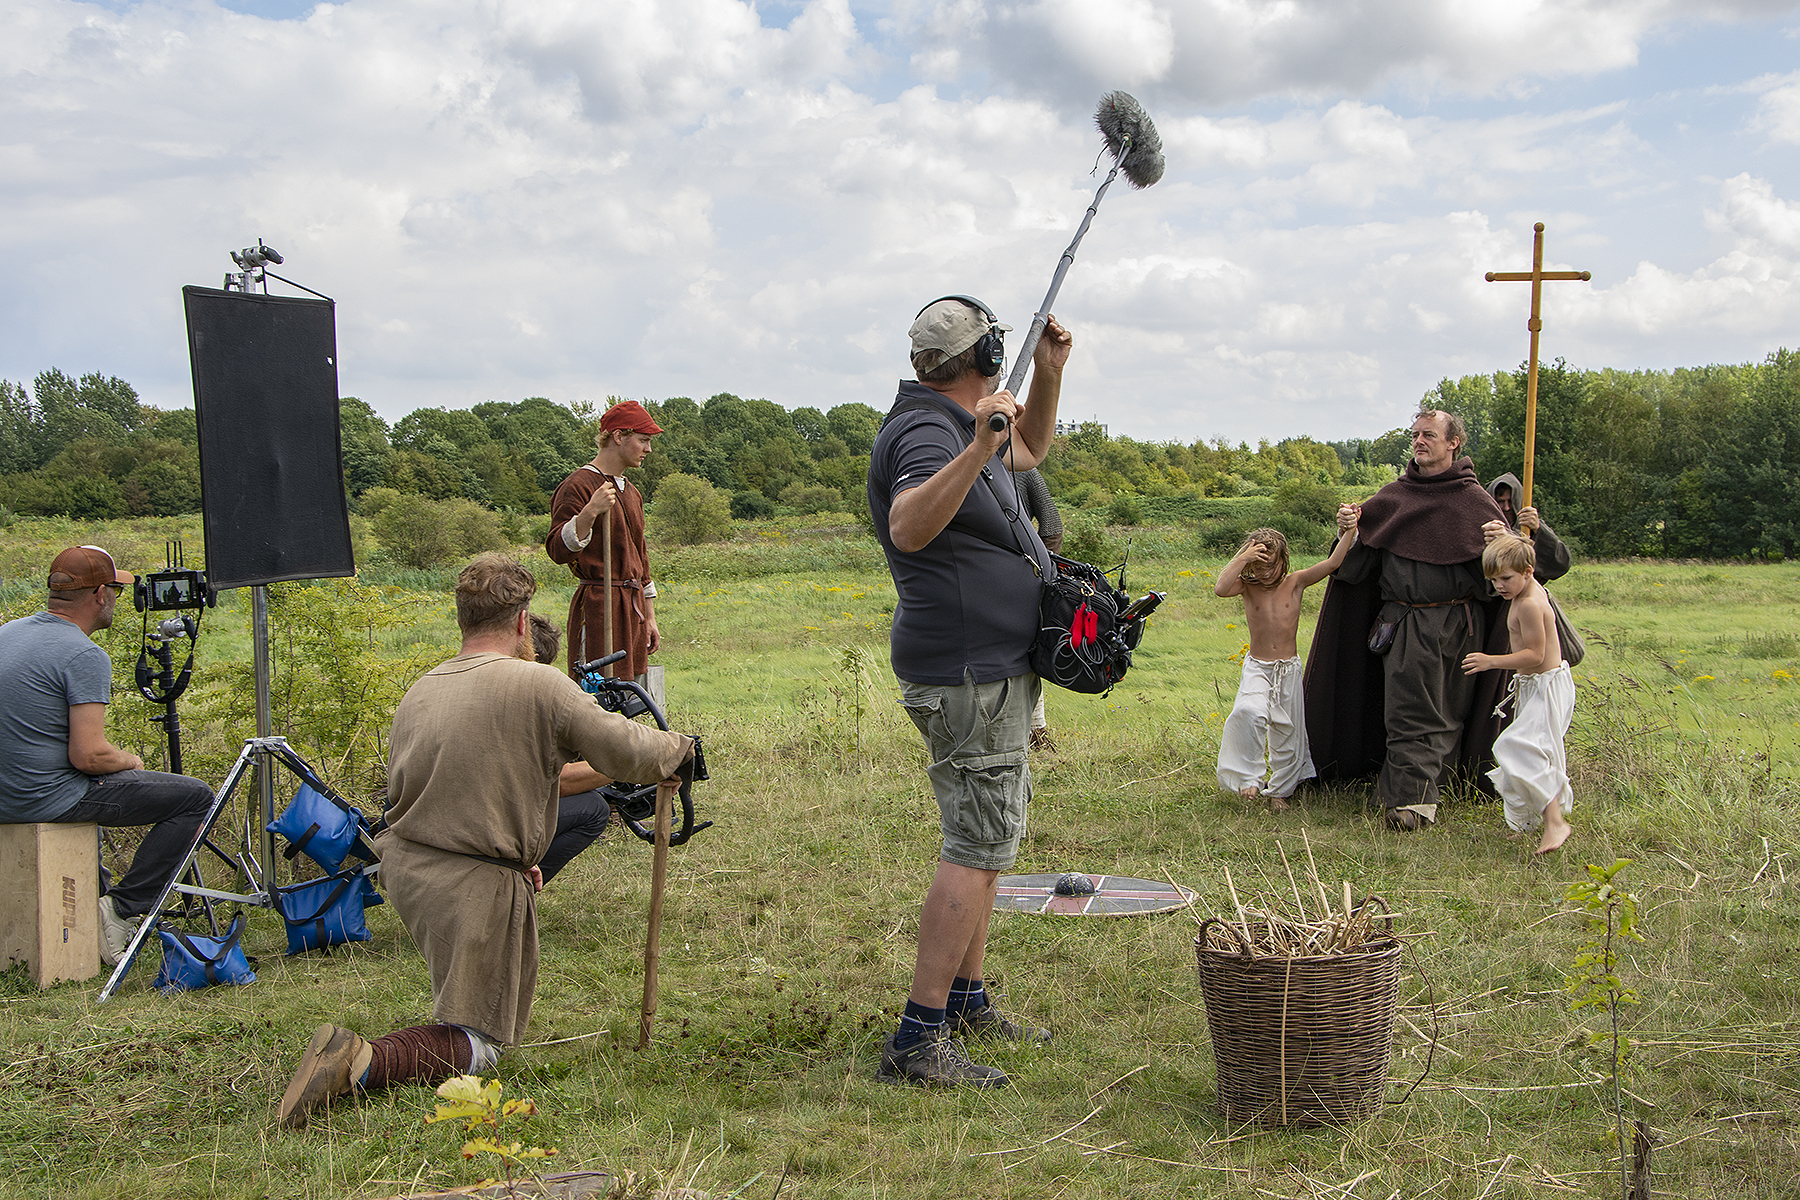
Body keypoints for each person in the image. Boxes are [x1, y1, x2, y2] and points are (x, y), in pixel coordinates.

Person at [278, 555, 695, 1128]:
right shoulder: (539, 683)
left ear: (463, 619)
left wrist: (512, 859)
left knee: (474, 1015)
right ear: (524, 622)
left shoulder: (423, 687)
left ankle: (370, 1057)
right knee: (480, 1044)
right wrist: (678, 749)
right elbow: (622, 749)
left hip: (409, 865)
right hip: (467, 880)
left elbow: (448, 783)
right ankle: (362, 1060)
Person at [866, 295, 1072, 1087]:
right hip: (966, 673)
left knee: (988, 847)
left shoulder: (955, 425)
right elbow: (911, 525)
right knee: (977, 848)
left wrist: (1047, 376)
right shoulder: (927, 431)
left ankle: (966, 1001)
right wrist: (977, 440)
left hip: (986, 667)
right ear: (983, 358)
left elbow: (1028, 450)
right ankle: (918, 1039)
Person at [0, 546, 213, 966]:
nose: (117, 598)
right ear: (100, 594)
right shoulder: (84, 655)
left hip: (6, 794)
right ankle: (120, 910)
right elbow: (90, 757)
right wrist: (128, 760)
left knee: (89, 790)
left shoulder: (8, 633)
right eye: (116, 588)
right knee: (196, 798)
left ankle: (85, 913)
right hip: (42, 798)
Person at [1302, 411, 1511, 832]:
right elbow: (1351, 571)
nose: (1419, 441)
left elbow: (1499, 584)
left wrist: (1501, 545)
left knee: (1449, 711)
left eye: (1429, 435)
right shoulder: (1393, 498)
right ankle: (1409, 804)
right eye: (1415, 435)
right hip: (1406, 625)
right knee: (1411, 712)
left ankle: (1427, 787)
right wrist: (1351, 533)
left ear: (1454, 443)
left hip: (1459, 625)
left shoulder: (1476, 502)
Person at [1214, 520, 1358, 809]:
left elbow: (1333, 562)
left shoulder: (1296, 582)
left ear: (1284, 561)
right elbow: (1220, 588)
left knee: (1288, 731)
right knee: (1248, 711)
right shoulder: (1247, 587)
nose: (1265, 574)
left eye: (1271, 567)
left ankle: (1280, 790)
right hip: (1258, 667)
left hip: (1288, 668)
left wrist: (1351, 530)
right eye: (1258, 568)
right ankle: (1248, 778)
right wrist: (1244, 556)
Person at [1463, 535, 1574, 854]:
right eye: (1494, 579)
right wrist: (1502, 537)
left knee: (1517, 748)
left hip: (1547, 687)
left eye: (1506, 578)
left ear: (1528, 571)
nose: (1500, 585)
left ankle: (1556, 823)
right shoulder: (1527, 587)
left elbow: (1536, 655)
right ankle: (1527, 824)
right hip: (1534, 687)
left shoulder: (1528, 603)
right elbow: (1516, 549)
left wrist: (1490, 661)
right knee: (1532, 752)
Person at [546, 400, 663, 685]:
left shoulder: (632, 493)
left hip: (630, 607)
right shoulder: (579, 485)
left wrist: (649, 617)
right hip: (600, 608)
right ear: (619, 436)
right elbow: (557, 549)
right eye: (643, 440)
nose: (648, 449)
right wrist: (589, 512)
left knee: (629, 692)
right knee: (597, 692)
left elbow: (641, 560)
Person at [523, 613, 614, 885]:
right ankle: (517, 884)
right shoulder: (529, 696)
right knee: (594, 809)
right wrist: (622, 765)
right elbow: (555, 783)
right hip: (482, 826)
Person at [1011, 466, 1063, 750]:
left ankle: (1036, 732)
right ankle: (1031, 731)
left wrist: (1039, 565)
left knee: (1026, 653)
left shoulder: (1023, 469)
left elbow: (1052, 526)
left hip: (1021, 573)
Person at [1484, 472, 1572, 583]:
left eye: (1510, 501)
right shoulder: (1484, 527)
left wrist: (1538, 529)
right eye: (1501, 502)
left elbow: (1561, 564)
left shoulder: (1532, 526)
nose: (1506, 508)